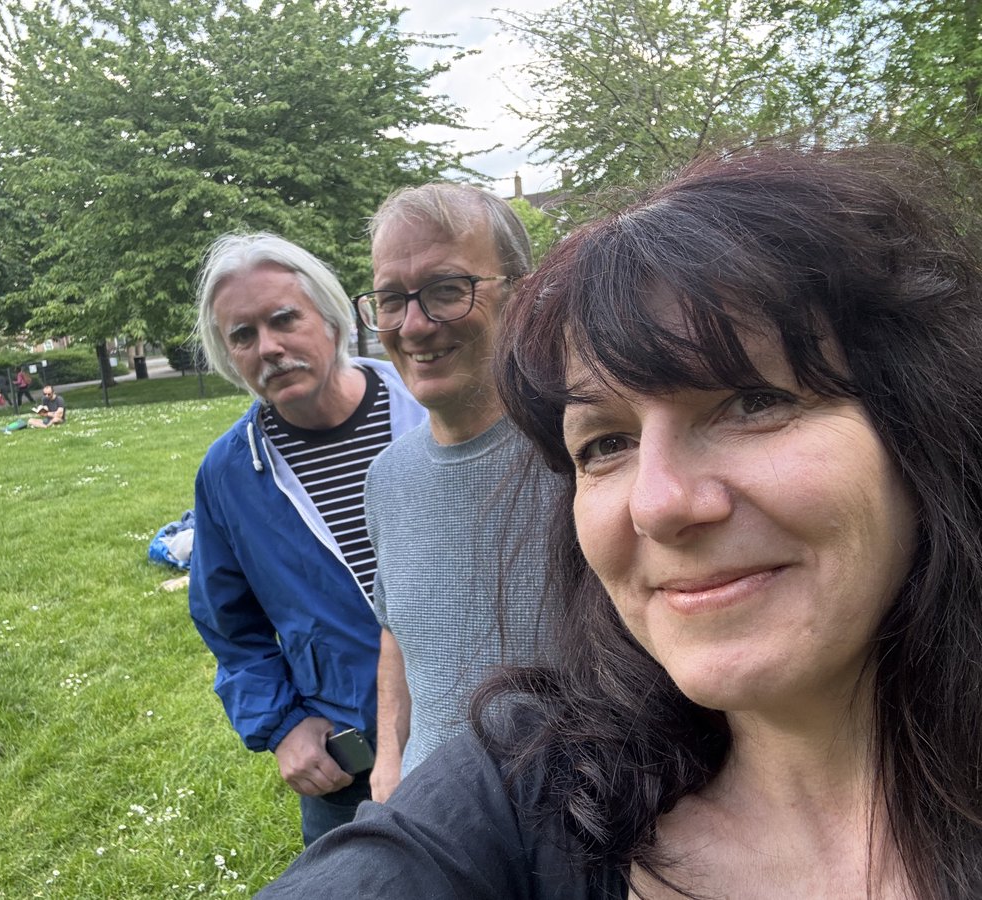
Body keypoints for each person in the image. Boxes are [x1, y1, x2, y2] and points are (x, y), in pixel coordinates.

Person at [258, 146, 982, 897]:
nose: (658, 503)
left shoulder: (533, 475)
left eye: (755, 401)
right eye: (605, 446)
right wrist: (390, 766)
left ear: (924, 422)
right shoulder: (536, 782)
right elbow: (394, 631)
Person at [187, 232, 426, 845]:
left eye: (284, 319)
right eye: (242, 335)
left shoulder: (428, 413)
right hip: (352, 761)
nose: (268, 347)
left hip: (484, 721)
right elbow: (229, 625)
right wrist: (283, 723)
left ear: (331, 315)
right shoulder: (230, 473)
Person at [358, 183, 559, 802]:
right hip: (431, 824)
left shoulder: (583, 453)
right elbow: (398, 630)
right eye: (391, 300)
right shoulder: (386, 478)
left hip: (579, 826)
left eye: (447, 290)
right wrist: (389, 759)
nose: (414, 326)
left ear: (520, 294)